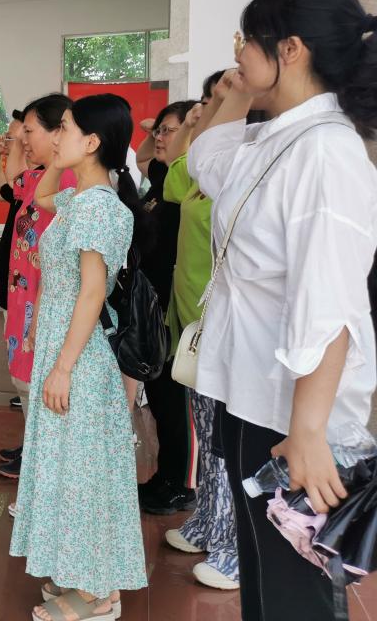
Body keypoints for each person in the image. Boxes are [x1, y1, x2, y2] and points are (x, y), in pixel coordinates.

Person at [187, 0, 377, 620]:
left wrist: (309, 432)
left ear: (290, 49)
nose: (237, 53)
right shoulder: (276, 137)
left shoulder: (327, 153)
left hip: (293, 412)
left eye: (246, 40)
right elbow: (206, 161)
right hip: (252, 392)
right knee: (264, 575)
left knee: (294, 593)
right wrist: (236, 94)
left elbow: (331, 306)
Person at [11, 94, 147, 621]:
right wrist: (54, 161)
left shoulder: (99, 208)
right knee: (70, 468)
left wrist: (63, 367)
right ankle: (85, 577)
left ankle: (98, 595)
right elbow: (43, 198)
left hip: (80, 359)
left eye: (63, 128)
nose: (54, 136)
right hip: (64, 346)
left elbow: (92, 292)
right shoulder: (79, 199)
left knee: (84, 475)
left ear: (91, 142)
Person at [157, 70, 241, 591]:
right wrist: (198, 122)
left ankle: (234, 545)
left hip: (228, 328)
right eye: (208, 101)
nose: (206, 110)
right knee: (207, 435)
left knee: (229, 443)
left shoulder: (242, 168)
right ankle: (209, 521)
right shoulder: (201, 174)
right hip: (193, 321)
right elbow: (172, 178)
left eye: (216, 101)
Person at [0, 95, 76, 481]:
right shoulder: (39, 178)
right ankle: (36, 458)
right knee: (25, 382)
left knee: (40, 387)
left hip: (44, 304)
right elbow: (11, 182)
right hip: (22, 298)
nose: (22, 139)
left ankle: (45, 471)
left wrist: (40, 314)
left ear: (59, 132)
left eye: (29, 130)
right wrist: (13, 147)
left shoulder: (72, 183)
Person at [132, 99, 199, 516]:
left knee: (176, 401)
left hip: (176, 306)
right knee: (158, 394)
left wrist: (185, 131)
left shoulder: (192, 179)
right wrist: (153, 132)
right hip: (153, 304)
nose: (159, 137)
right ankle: (165, 476)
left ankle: (182, 485)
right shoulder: (162, 177)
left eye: (168, 130)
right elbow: (142, 157)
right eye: (159, 130)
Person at [0, 110, 26, 316]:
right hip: (11, 288)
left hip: (27, 296)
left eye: (10, 138)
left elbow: (13, 181)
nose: (6, 143)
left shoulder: (43, 184)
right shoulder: (24, 184)